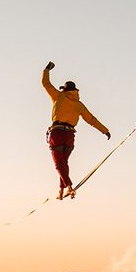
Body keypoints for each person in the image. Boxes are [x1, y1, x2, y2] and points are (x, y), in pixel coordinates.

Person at [42, 61, 110, 199]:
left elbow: (46, 83)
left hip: (57, 133)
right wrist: (105, 130)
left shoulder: (58, 96)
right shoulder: (79, 105)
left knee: (59, 164)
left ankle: (69, 187)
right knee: (63, 164)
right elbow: (91, 119)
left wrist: (46, 69)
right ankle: (61, 191)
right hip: (69, 137)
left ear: (64, 90)